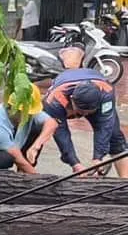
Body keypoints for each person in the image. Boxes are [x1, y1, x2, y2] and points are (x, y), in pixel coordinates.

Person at [42, 44, 128, 177]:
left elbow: (105, 126)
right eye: (82, 112)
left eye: (89, 112)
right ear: (72, 100)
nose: (85, 116)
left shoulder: (106, 92)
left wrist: (98, 158)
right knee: (41, 129)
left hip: (97, 94)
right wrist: (75, 163)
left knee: (115, 136)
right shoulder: (54, 100)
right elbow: (61, 133)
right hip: (62, 99)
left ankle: (125, 183)